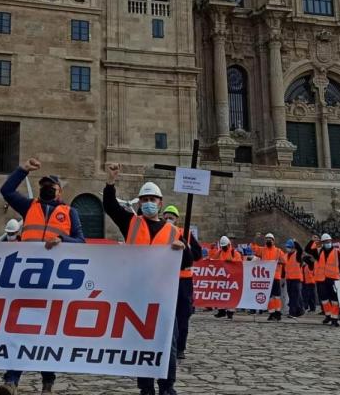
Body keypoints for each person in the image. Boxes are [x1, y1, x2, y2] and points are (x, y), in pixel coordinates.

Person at [103, 166, 189, 395]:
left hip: (164, 296)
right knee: (142, 344)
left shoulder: (173, 231)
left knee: (168, 344)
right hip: (138, 295)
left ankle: (167, 387)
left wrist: (182, 248)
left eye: (153, 199)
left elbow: (189, 260)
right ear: (139, 203)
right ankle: (146, 387)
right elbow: (110, 206)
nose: (149, 203)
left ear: (160, 203)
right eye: (145, 199)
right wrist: (110, 182)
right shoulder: (130, 222)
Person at [0, 158, 79, 395]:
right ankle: (11, 380)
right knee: (19, 330)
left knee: (48, 333)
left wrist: (63, 240)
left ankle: (47, 382)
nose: (46, 188)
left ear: (59, 190)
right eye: (43, 185)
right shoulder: (29, 207)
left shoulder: (70, 212)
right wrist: (22, 170)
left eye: (50, 186)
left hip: (54, 282)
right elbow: (6, 191)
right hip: (26, 280)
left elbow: (81, 241)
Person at [0, 217, 55, 394]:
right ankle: (11, 381)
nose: (11, 236)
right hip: (18, 305)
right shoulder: (4, 247)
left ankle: (47, 384)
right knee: (17, 343)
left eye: (13, 233)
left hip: (41, 302)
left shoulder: (32, 247)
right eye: (9, 234)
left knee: (43, 344)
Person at [161, 204, 201, 358]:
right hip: (164, 279)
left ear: (177, 219)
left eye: (171, 217)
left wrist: (186, 247)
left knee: (183, 315)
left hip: (183, 281)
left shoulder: (186, 234)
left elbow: (197, 255)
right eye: (166, 216)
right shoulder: (159, 232)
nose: (168, 219)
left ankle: (179, 348)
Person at [315, 233, 340, 327]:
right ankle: (328, 315)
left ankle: (334, 319)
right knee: (324, 299)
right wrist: (315, 241)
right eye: (324, 242)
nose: (327, 243)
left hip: (333, 279)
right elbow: (309, 250)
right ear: (322, 243)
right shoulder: (320, 252)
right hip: (322, 279)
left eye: (328, 241)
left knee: (334, 300)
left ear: (331, 241)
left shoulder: (337, 253)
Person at [253, 233, 285, 321]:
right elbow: (254, 249)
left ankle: (278, 313)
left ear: (273, 241)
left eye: (270, 239)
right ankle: (271, 313)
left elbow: (284, 261)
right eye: (267, 239)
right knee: (269, 296)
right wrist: (255, 239)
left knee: (277, 296)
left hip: (275, 277)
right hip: (266, 277)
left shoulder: (278, 251)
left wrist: (278, 262)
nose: (268, 241)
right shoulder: (262, 250)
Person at [210, 236, 242, 320]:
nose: (223, 248)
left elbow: (239, 263)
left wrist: (231, 261)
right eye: (222, 246)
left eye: (224, 246)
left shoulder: (234, 253)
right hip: (222, 277)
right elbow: (212, 259)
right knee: (220, 294)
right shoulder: (220, 252)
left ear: (228, 245)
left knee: (231, 295)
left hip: (232, 278)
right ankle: (221, 311)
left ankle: (230, 313)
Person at [284, 239, 306, 318]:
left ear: (294, 247)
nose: (288, 248)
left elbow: (300, 250)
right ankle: (299, 311)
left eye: (289, 247)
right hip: (289, 279)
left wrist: (295, 242)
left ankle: (293, 313)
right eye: (287, 247)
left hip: (296, 279)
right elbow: (284, 267)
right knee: (291, 296)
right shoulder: (285, 256)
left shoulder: (297, 255)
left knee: (295, 296)